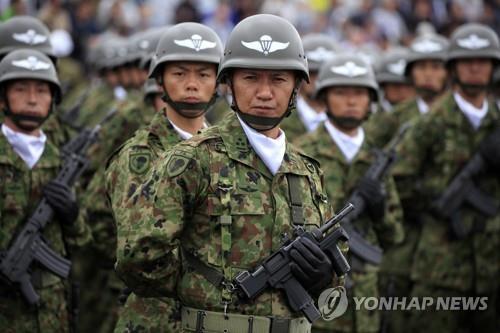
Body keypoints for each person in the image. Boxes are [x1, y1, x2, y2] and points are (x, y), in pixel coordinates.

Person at [115, 14, 347, 333]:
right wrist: (199, 292)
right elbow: (137, 256)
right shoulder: (192, 159)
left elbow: (334, 276)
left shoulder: (306, 170)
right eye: (251, 78)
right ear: (229, 85)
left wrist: (324, 275)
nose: (265, 92)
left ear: (296, 87)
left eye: (278, 79)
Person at [106, 22, 223, 333]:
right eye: (179, 73)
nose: (192, 84)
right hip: (157, 320)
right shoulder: (138, 156)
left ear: (218, 81)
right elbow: (138, 254)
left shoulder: (227, 149)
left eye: (204, 74)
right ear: (160, 80)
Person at [394, 23, 500, 332]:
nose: (475, 67)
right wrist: (441, 196)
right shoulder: (432, 122)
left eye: (483, 61)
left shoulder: (496, 122)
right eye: (467, 61)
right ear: (453, 67)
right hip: (440, 267)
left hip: (494, 265)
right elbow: (398, 179)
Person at [297, 54, 403, 333]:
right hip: (319, 297)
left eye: (359, 93)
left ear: (371, 101)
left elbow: (395, 236)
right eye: (341, 92)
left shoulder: (376, 159)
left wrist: (380, 211)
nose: (351, 100)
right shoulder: (300, 152)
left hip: (366, 298)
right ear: (325, 98)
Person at [0, 48, 90, 332]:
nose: (31, 99)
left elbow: (83, 244)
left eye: (42, 90)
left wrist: (72, 215)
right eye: (21, 89)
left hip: (50, 310)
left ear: (53, 100)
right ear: (2, 97)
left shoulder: (62, 162)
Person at [366, 33, 449, 148]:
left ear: (449, 72)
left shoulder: (464, 112)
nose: (428, 74)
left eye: (436, 67)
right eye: (421, 67)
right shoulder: (393, 118)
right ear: (410, 73)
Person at [280, 33, 337, 139]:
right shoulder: (278, 118)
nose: (318, 79)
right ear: (299, 75)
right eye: (312, 72)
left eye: (325, 73)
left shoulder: (349, 121)